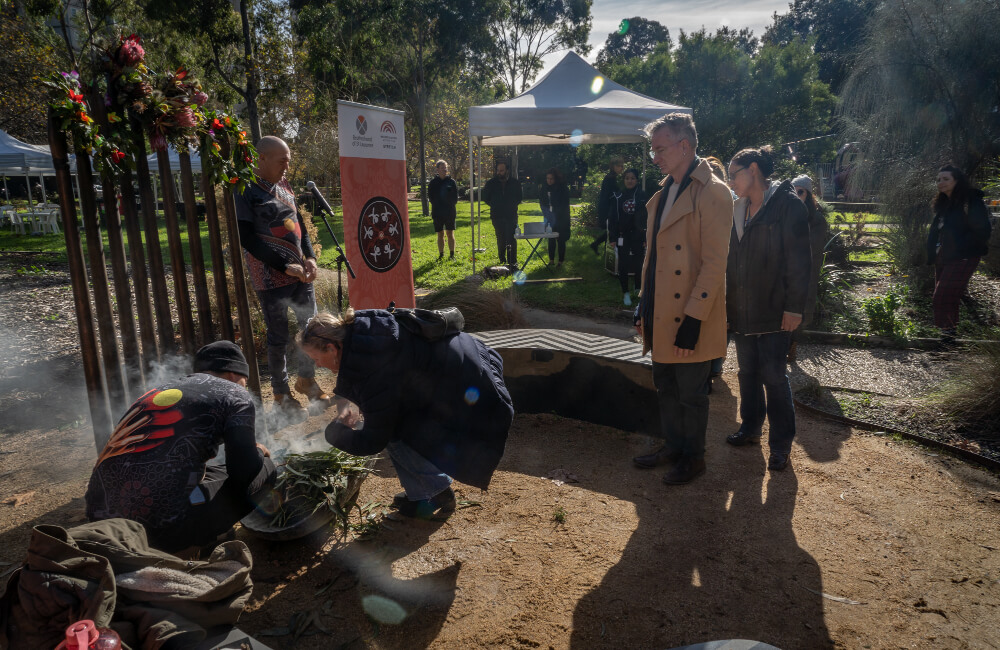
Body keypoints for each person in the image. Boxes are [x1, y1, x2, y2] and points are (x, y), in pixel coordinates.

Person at [299, 308, 514, 519]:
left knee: (395, 431)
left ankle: (434, 493)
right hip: (477, 363)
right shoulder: (362, 329)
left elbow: (373, 440)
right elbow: (361, 376)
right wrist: (347, 404)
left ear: (331, 348)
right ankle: (425, 490)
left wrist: (335, 433)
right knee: (394, 418)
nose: (317, 365)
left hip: (475, 395)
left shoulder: (373, 370)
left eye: (315, 358)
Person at [85, 341, 276, 552]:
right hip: (160, 530)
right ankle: (191, 543)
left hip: (101, 522)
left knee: (213, 471)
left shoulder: (158, 392)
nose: (244, 387)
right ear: (233, 374)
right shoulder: (235, 393)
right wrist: (259, 451)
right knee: (265, 469)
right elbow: (244, 471)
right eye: (244, 382)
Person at [631, 113, 733, 485]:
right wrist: (643, 304)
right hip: (661, 310)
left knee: (691, 394)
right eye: (653, 150)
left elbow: (714, 264)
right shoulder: (664, 192)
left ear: (684, 146)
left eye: (660, 149)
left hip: (691, 313)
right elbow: (654, 259)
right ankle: (673, 446)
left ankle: (694, 457)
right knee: (666, 387)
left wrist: (693, 319)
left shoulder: (714, 192)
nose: (654, 157)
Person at [725, 146, 811, 471]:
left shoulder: (788, 205)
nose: (730, 181)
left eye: (734, 174)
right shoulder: (738, 209)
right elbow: (732, 262)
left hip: (775, 311)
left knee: (774, 377)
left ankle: (781, 445)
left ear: (754, 170)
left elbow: (800, 263)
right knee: (747, 373)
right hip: (742, 310)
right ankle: (750, 429)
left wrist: (794, 308)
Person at [234, 135, 329, 419]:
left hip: (300, 275)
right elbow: (246, 237)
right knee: (278, 337)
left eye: (288, 161)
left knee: (310, 328)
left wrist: (310, 258)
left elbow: (299, 225)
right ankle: (281, 394)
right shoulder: (245, 189)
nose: (287, 167)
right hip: (270, 277)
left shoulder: (284, 185)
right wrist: (283, 265)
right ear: (261, 158)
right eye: (282, 161)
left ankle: (307, 380)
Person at [926, 164, 992, 339]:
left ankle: (946, 335)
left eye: (946, 179)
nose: (941, 182)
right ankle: (948, 336)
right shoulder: (944, 203)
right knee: (949, 297)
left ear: (957, 181)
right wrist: (933, 252)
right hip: (944, 255)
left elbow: (983, 231)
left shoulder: (971, 201)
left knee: (941, 296)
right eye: (938, 179)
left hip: (963, 256)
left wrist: (961, 248)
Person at [790, 174, 831, 361]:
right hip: (786, 270)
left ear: (808, 195)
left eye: (800, 192)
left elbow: (812, 248)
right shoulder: (786, 213)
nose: (796, 195)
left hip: (805, 271)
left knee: (800, 309)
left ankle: (792, 345)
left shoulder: (816, 219)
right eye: (793, 191)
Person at [704, 156, 733, 386]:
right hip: (707, 267)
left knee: (725, 318)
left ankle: (715, 362)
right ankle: (708, 363)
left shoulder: (731, 200)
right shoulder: (698, 197)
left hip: (729, 269)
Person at [608, 168, 647, 305]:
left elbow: (647, 218)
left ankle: (638, 287)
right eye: (627, 178)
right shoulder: (618, 196)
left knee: (639, 263)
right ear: (623, 180)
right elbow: (612, 218)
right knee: (623, 264)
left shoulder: (642, 196)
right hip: (622, 235)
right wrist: (612, 238)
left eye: (632, 178)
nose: (629, 181)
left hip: (638, 235)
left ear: (637, 180)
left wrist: (646, 237)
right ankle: (625, 292)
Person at [483, 160, 522, 270]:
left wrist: (511, 205)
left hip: (511, 215)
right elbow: (486, 197)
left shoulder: (515, 183)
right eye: (498, 170)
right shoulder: (491, 183)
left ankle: (512, 261)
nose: (499, 173)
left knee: (511, 238)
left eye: (502, 170)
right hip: (497, 215)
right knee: (500, 238)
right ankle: (502, 259)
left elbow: (519, 197)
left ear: (507, 170)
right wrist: (495, 205)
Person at [590, 157, 623, 255]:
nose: (621, 168)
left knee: (610, 231)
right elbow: (610, 195)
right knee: (611, 230)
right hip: (608, 208)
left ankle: (597, 245)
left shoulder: (613, 177)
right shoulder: (610, 178)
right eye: (619, 166)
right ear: (613, 166)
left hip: (608, 207)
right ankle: (604, 251)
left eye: (622, 166)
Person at [538, 167, 571, 266]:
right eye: (547, 178)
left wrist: (557, 214)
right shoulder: (544, 188)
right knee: (550, 238)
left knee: (560, 239)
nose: (549, 180)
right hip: (549, 217)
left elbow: (564, 204)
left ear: (555, 179)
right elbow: (542, 202)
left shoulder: (562, 188)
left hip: (561, 217)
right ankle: (551, 260)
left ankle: (560, 261)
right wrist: (546, 213)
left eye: (551, 178)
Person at [428, 159, 458, 260]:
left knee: (450, 233)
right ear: (437, 169)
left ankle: (452, 255)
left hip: (449, 212)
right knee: (440, 233)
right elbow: (431, 198)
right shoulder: (433, 183)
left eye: (446, 168)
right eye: (442, 168)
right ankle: (441, 255)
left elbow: (455, 198)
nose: (445, 170)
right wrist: (438, 205)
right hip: (437, 212)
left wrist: (448, 204)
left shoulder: (451, 182)